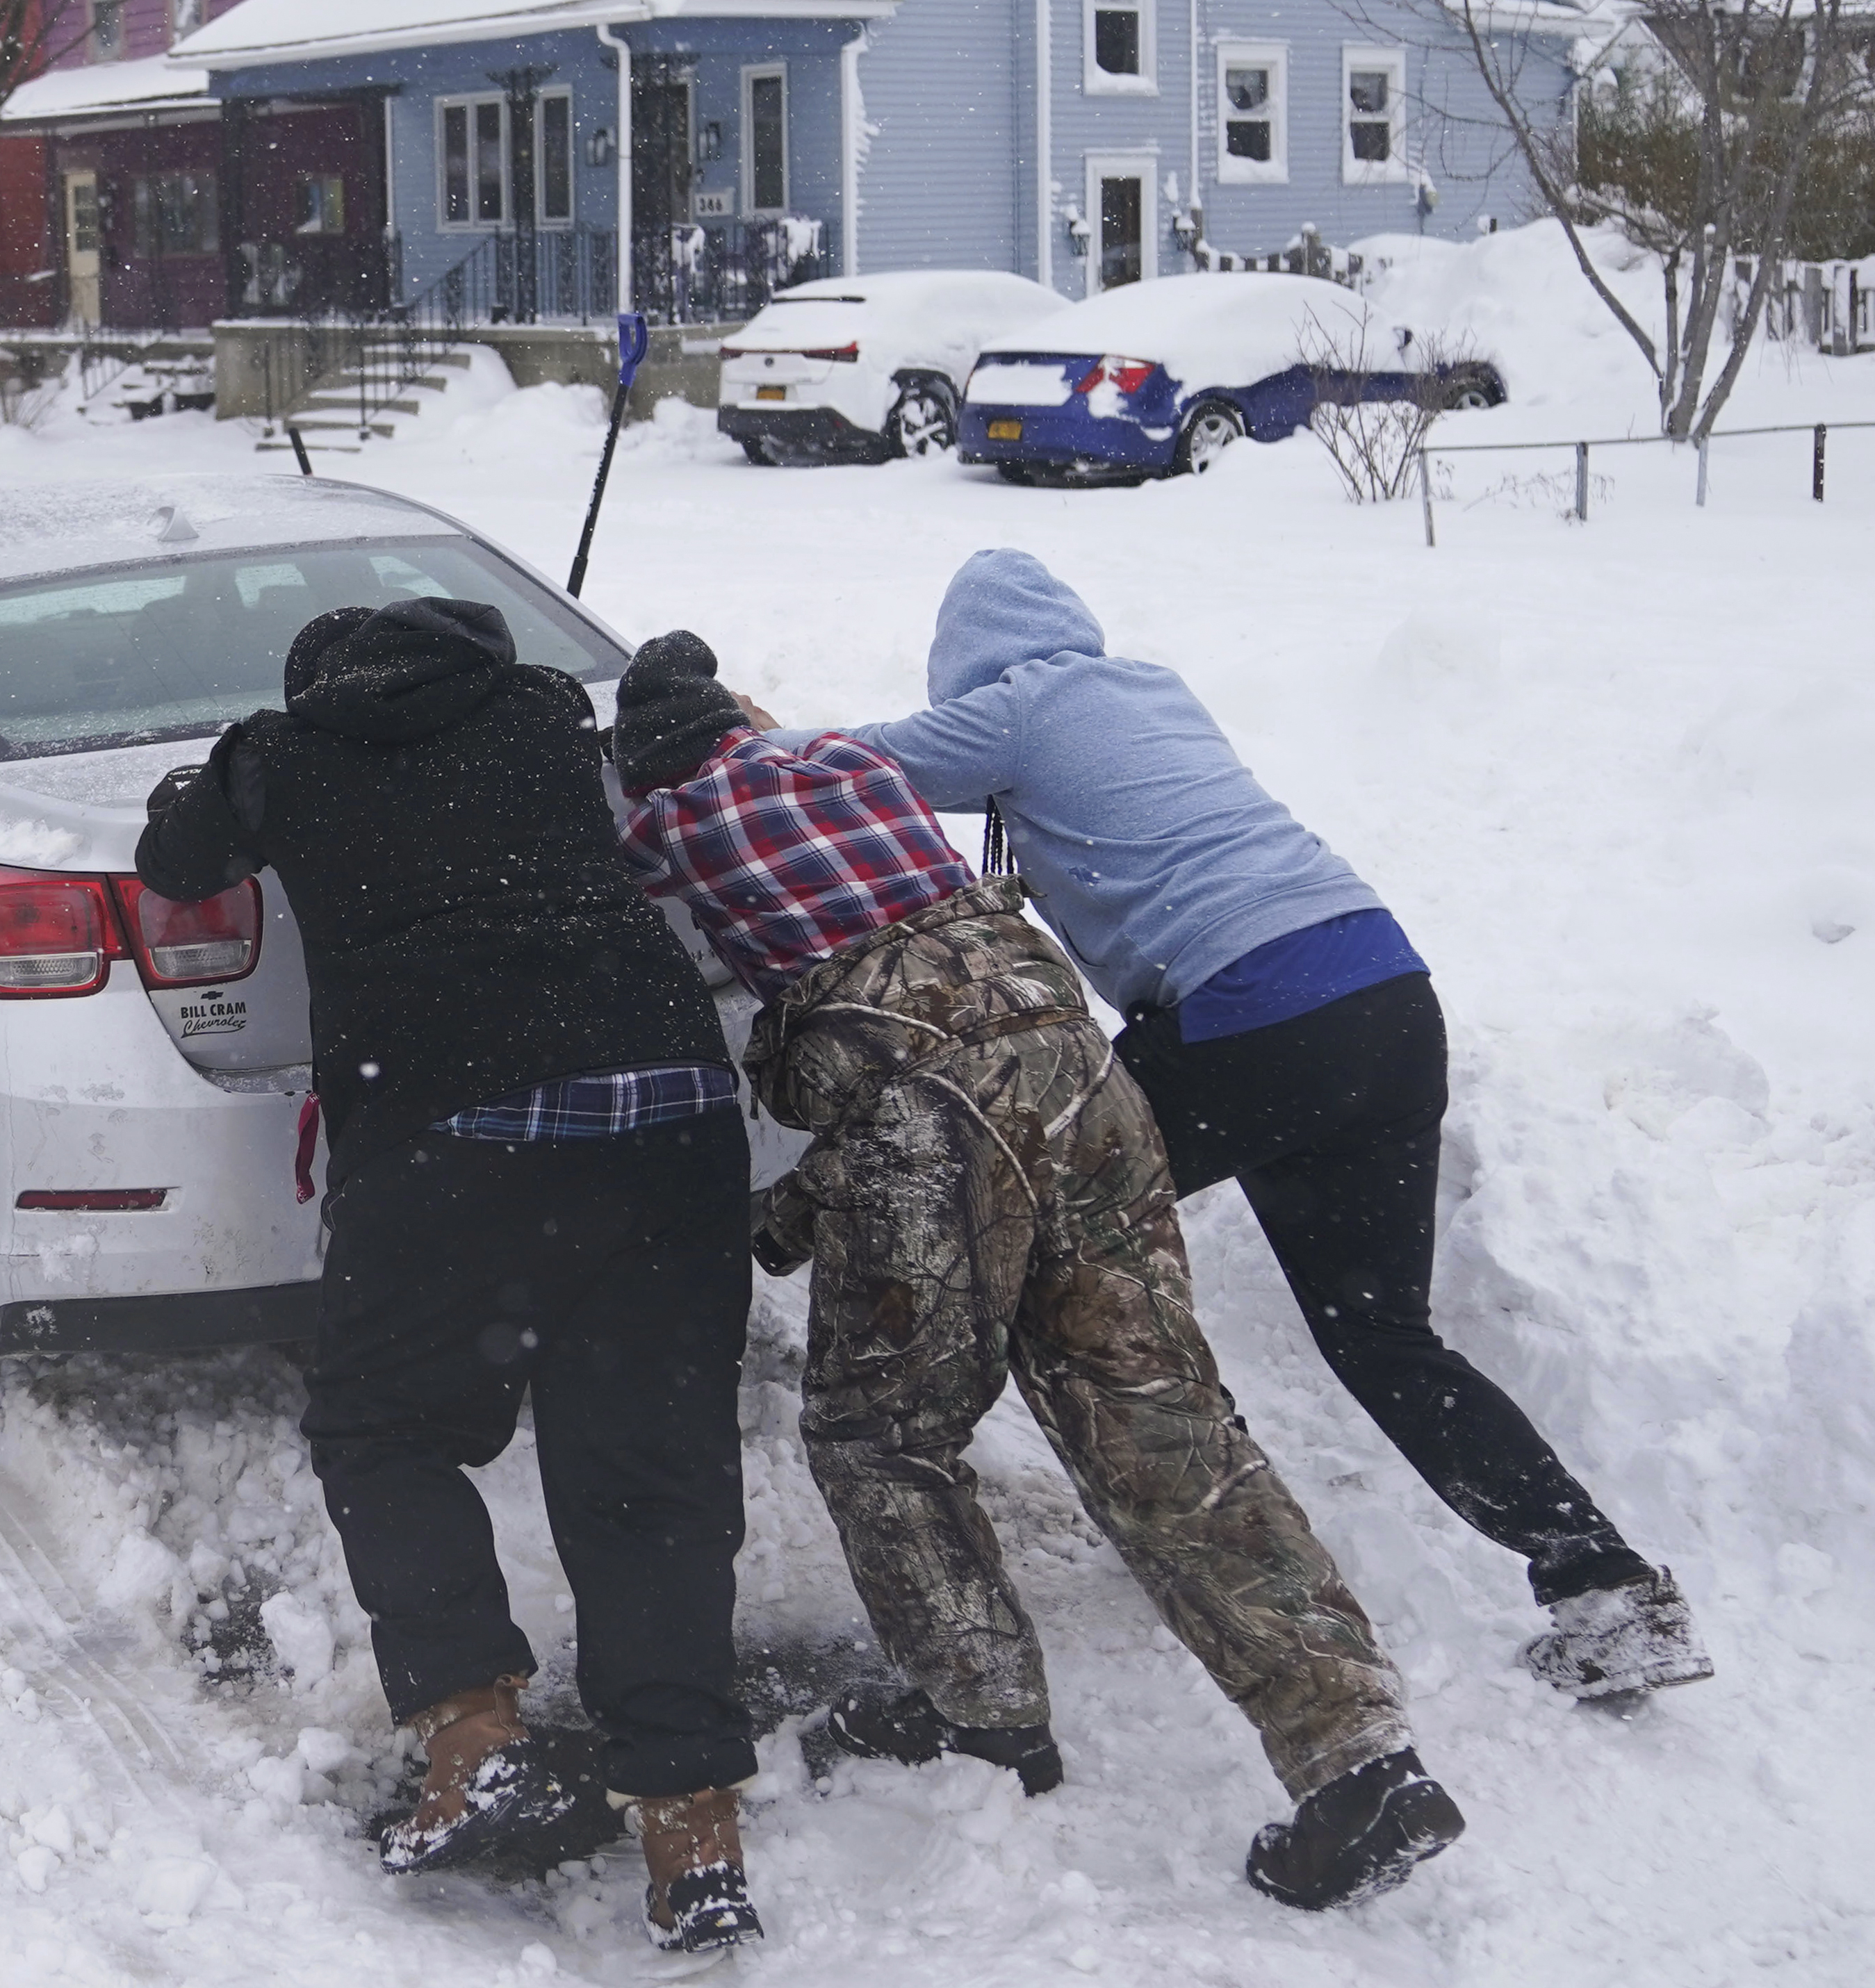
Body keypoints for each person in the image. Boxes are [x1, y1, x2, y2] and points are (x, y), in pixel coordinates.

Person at [613, 631, 1464, 1911]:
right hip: (1085, 1082)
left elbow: (616, 893)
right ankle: (1360, 1758)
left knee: (881, 1432)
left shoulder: (671, 823)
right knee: (1161, 1416)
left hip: (928, 1116)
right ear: (745, 713)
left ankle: (982, 1712)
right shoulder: (852, 766)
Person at [812, 550, 1708, 1708]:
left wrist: (724, 733)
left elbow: (837, 773)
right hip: (1384, 999)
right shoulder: (1152, 688)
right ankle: (1607, 1583)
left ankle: (1203, 1536)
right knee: (1384, 1333)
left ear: (970, 667)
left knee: (1044, 1229)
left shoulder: (1023, 706)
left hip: (1249, 1015)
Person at [135, 598, 762, 1954]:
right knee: (650, 1479)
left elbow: (178, 863)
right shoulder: (542, 713)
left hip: (458, 1129)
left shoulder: (281, 754)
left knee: (383, 1430)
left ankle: (475, 1738)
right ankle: (692, 1833)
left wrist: (205, 786)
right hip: (666, 1112)